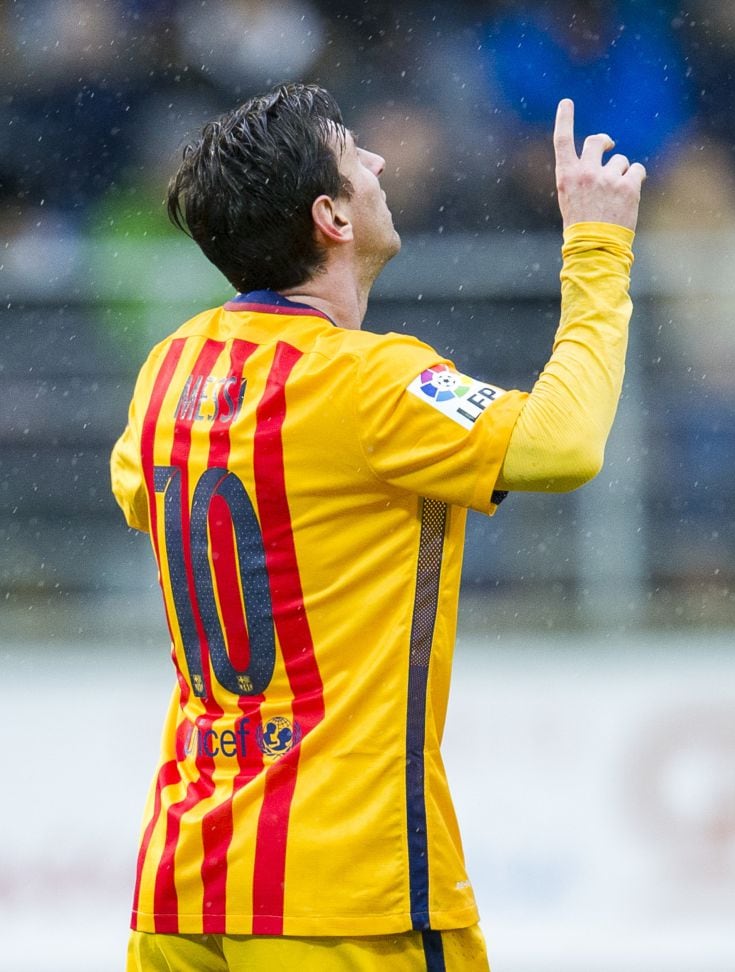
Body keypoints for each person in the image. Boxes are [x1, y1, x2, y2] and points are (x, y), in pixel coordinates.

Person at [111, 82, 644, 972]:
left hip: (183, 888)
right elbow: (565, 444)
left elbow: (140, 491)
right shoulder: (370, 384)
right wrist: (598, 246)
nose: (379, 163)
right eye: (354, 152)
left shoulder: (171, 369)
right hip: (342, 889)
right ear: (331, 217)